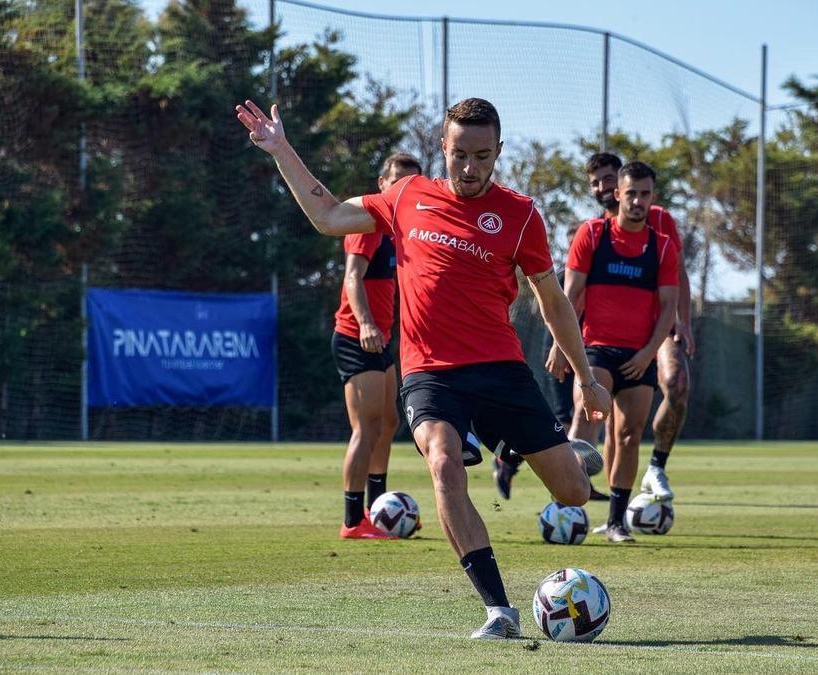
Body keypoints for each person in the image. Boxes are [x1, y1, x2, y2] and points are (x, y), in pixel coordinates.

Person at [235, 96, 610, 639]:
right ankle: (497, 610)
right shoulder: (407, 194)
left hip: (501, 369)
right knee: (443, 463)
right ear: (443, 147)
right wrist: (280, 149)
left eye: (482, 155)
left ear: (498, 151)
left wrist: (587, 379)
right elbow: (328, 215)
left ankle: (553, 451)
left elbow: (551, 301)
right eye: (460, 154)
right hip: (429, 373)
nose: (470, 167)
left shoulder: (522, 214)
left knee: (573, 495)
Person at [558, 161, 679, 542]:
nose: (638, 201)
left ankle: (615, 522)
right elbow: (568, 297)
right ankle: (567, 507)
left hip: (638, 356)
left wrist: (648, 354)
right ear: (618, 194)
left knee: (628, 435)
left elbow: (669, 309)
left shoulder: (662, 248)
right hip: (595, 349)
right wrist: (559, 346)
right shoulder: (592, 235)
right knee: (589, 409)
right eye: (631, 194)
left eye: (645, 194)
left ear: (652, 197)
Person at [333, 152, 421, 539]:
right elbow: (352, 277)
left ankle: (378, 509)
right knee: (366, 428)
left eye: (411, 182)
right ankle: (353, 521)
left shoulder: (404, 227)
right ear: (382, 183)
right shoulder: (368, 222)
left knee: (388, 423)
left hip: (382, 341)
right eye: (397, 181)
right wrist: (367, 323)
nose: (403, 189)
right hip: (357, 336)